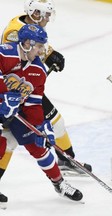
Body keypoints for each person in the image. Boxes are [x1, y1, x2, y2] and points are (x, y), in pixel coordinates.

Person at [0, 0, 92, 179]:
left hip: (24, 88)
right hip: (12, 91)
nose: (48, 19)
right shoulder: (15, 32)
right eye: (46, 15)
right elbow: (17, 62)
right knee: (10, 139)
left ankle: (67, 160)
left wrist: (49, 54)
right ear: (35, 13)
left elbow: (35, 50)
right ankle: (67, 160)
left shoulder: (30, 27)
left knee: (55, 123)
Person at [0, 24, 83, 205]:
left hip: (13, 110)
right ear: (27, 43)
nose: (41, 51)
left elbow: (34, 102)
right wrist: (3, 97)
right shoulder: (5, 53)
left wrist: (40, 125)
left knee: (37, 145)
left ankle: (59, 183)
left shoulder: (38, 70)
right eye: (39, 46)